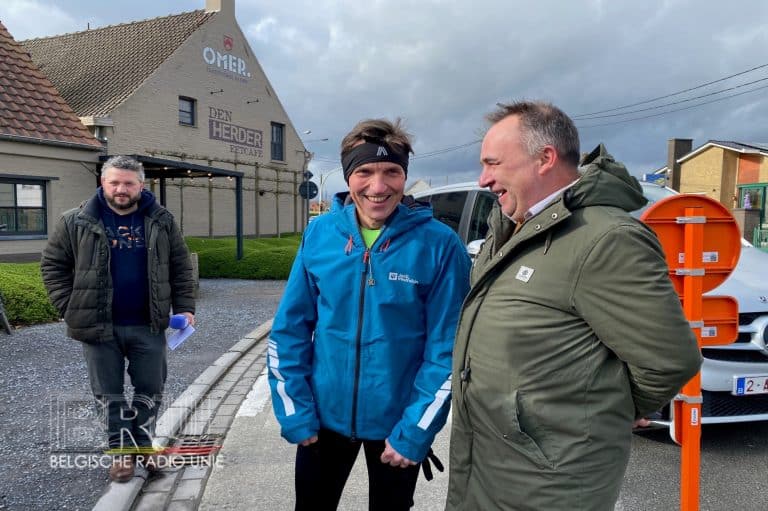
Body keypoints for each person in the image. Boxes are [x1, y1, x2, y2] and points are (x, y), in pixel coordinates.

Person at [446, 101, 703, 510]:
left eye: (493, 163)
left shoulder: (606, 239)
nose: (483, 179)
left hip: (548, 483)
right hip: (493, 467)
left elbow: (670, 358)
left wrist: (614, 406)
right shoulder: (511, 228)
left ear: (545, 158)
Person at [268, 118, 471, 510]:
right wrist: (294, 410)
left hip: (398, 422)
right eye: (365, 172)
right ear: (348, 175)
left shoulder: (441, 245)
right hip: (321, 419)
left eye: (391, 172)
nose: (378, 187)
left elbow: (447, 348)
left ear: (405, 175)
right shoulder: (321, 233)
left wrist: (415, 431)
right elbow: (289, 330)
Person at [41, 155, 195, 482]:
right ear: (103, 183)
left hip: (148, 325)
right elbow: (53, 267)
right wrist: (69, 308)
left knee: (150, 389)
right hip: (99, 328)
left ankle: (142, 447)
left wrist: (185, 308)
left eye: (128, 183)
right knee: (108, 394)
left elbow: (181, 268)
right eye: (114, 182)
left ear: (141, 185)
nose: (121, 189)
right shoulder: (75, 221)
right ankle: (121, 453)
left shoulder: (161, 220)